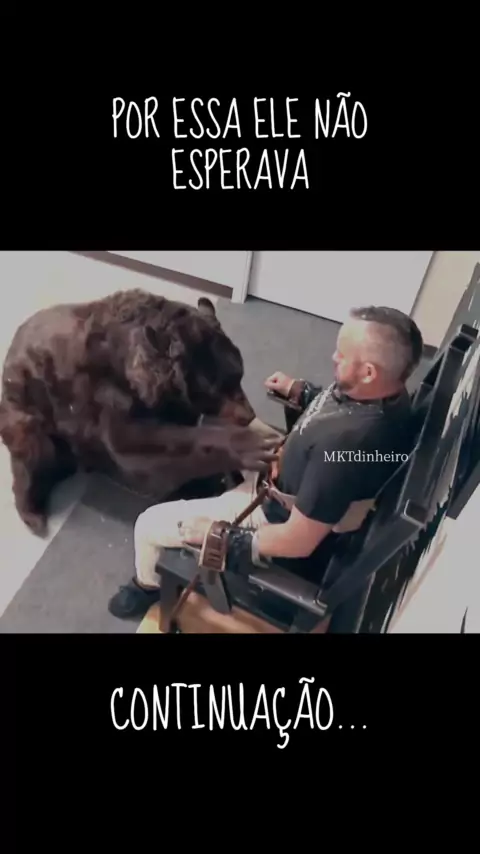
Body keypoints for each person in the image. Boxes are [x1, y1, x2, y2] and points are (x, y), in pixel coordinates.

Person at [108, 305, 424, 620]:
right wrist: (302, 392)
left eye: (342, 355)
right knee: (223, 418)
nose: (333, 357)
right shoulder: (384, 396)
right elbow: (334, 406)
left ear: (368, 372)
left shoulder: (343, 451)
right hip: (288, 462)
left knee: (148, 524)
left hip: (272, 508)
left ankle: (147, 584)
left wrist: (222, 538)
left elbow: (298, 541)